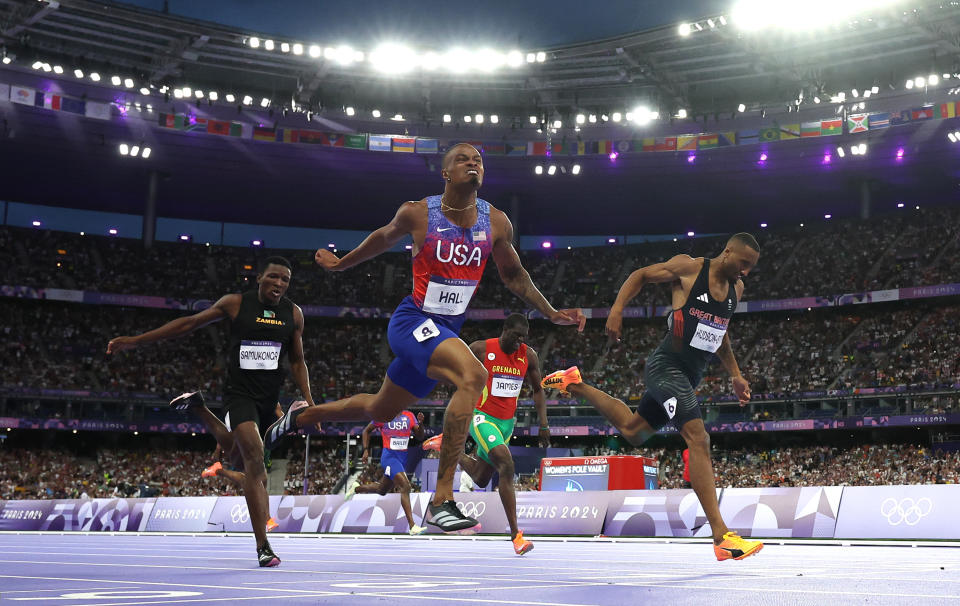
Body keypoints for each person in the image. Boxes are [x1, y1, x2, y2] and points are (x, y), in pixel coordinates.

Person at [264, 143, 584, 533]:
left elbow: (514, 275)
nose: (473, 163)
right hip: (412, 321)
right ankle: (442, 500)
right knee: (474, 375)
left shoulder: (497, 222)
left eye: (478, 160)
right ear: (445, 173)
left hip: (444, 332)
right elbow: (382, 239)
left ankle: (301, 416)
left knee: (380, 410)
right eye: (463, 159)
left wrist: (550, 312)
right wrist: (341, 263)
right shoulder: (418, 212)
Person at [542, 234, 764, 561]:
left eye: (751, 267)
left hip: (688, 376)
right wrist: (617, 309)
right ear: (727, 251)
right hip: (666, 368)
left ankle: (573, 384)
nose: (746, 272)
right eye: (743, 263)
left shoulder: (736, 290)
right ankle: (722, 537)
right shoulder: (689, 269)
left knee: (634, 431)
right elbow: (640, 275)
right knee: (698, 439)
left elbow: (721, 333)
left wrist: (735, 373)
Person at [107, 256, 315, 567]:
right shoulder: (235, 303)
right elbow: (190, 323)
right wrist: (137, 341)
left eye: (285, 279)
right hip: (239, 395)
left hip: (268, 398)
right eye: (273, 277)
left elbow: (297, 361)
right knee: (254, 460)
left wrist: (310, 401)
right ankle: (263, 547)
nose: (279, 284)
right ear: (259, 277)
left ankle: (200, 406)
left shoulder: (293, 314)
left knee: (234, 452)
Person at [423, 313, 548, 554]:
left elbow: (538, 390)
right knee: (507, 466)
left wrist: (543, 424)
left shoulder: (528, 355)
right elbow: (457, 373)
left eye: (523, 337)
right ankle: (516, 536)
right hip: (482, 418)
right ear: (505, 330)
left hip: (506, 424)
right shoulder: (480, 349)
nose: (519, 342)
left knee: (481, 477)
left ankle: (448, 447)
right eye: (516, 336)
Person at [345, 410, 428, 535]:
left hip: (401, 459)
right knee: (405, 486)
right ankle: (412, 526)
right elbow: (366, 431)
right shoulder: (383, 415)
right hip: (389, 458)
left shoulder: (409, 416)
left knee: (381, 490)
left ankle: (356, 488)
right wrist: (366, 450)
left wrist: (421, 423)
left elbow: (420, 436)